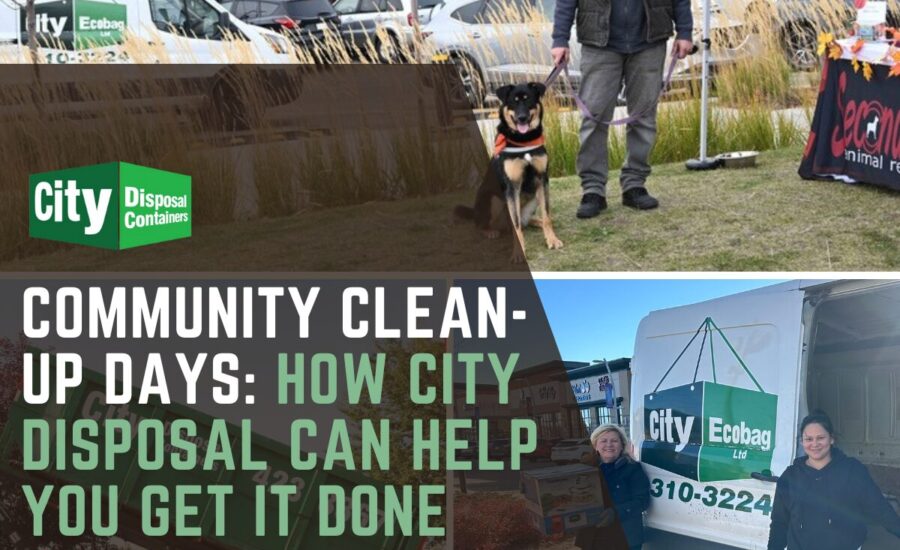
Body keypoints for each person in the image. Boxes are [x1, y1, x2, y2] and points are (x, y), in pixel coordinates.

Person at [551, 0, 693, 217]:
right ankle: (593, 190)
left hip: (649, 42)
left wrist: (685, 31)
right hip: (599, 44)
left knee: (644, 119)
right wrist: (559, 38)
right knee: (593, 119)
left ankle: (634, 185)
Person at [767, 412, 900, 550]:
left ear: (831, 439)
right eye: (809, 439)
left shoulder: (852, 471)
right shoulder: (790, 476)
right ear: (802, 442)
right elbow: (779, 523)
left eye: (820, 438)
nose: (815, 444)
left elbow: (880, 509)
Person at [577, 424, 650, 550]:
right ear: (595, 445)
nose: (609, 444)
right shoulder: (585, 469)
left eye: (614, 441)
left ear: (622, 445)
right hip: (593, 536)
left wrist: (615, 512)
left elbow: (642, 501)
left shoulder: (632, 468)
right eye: (603, 441)